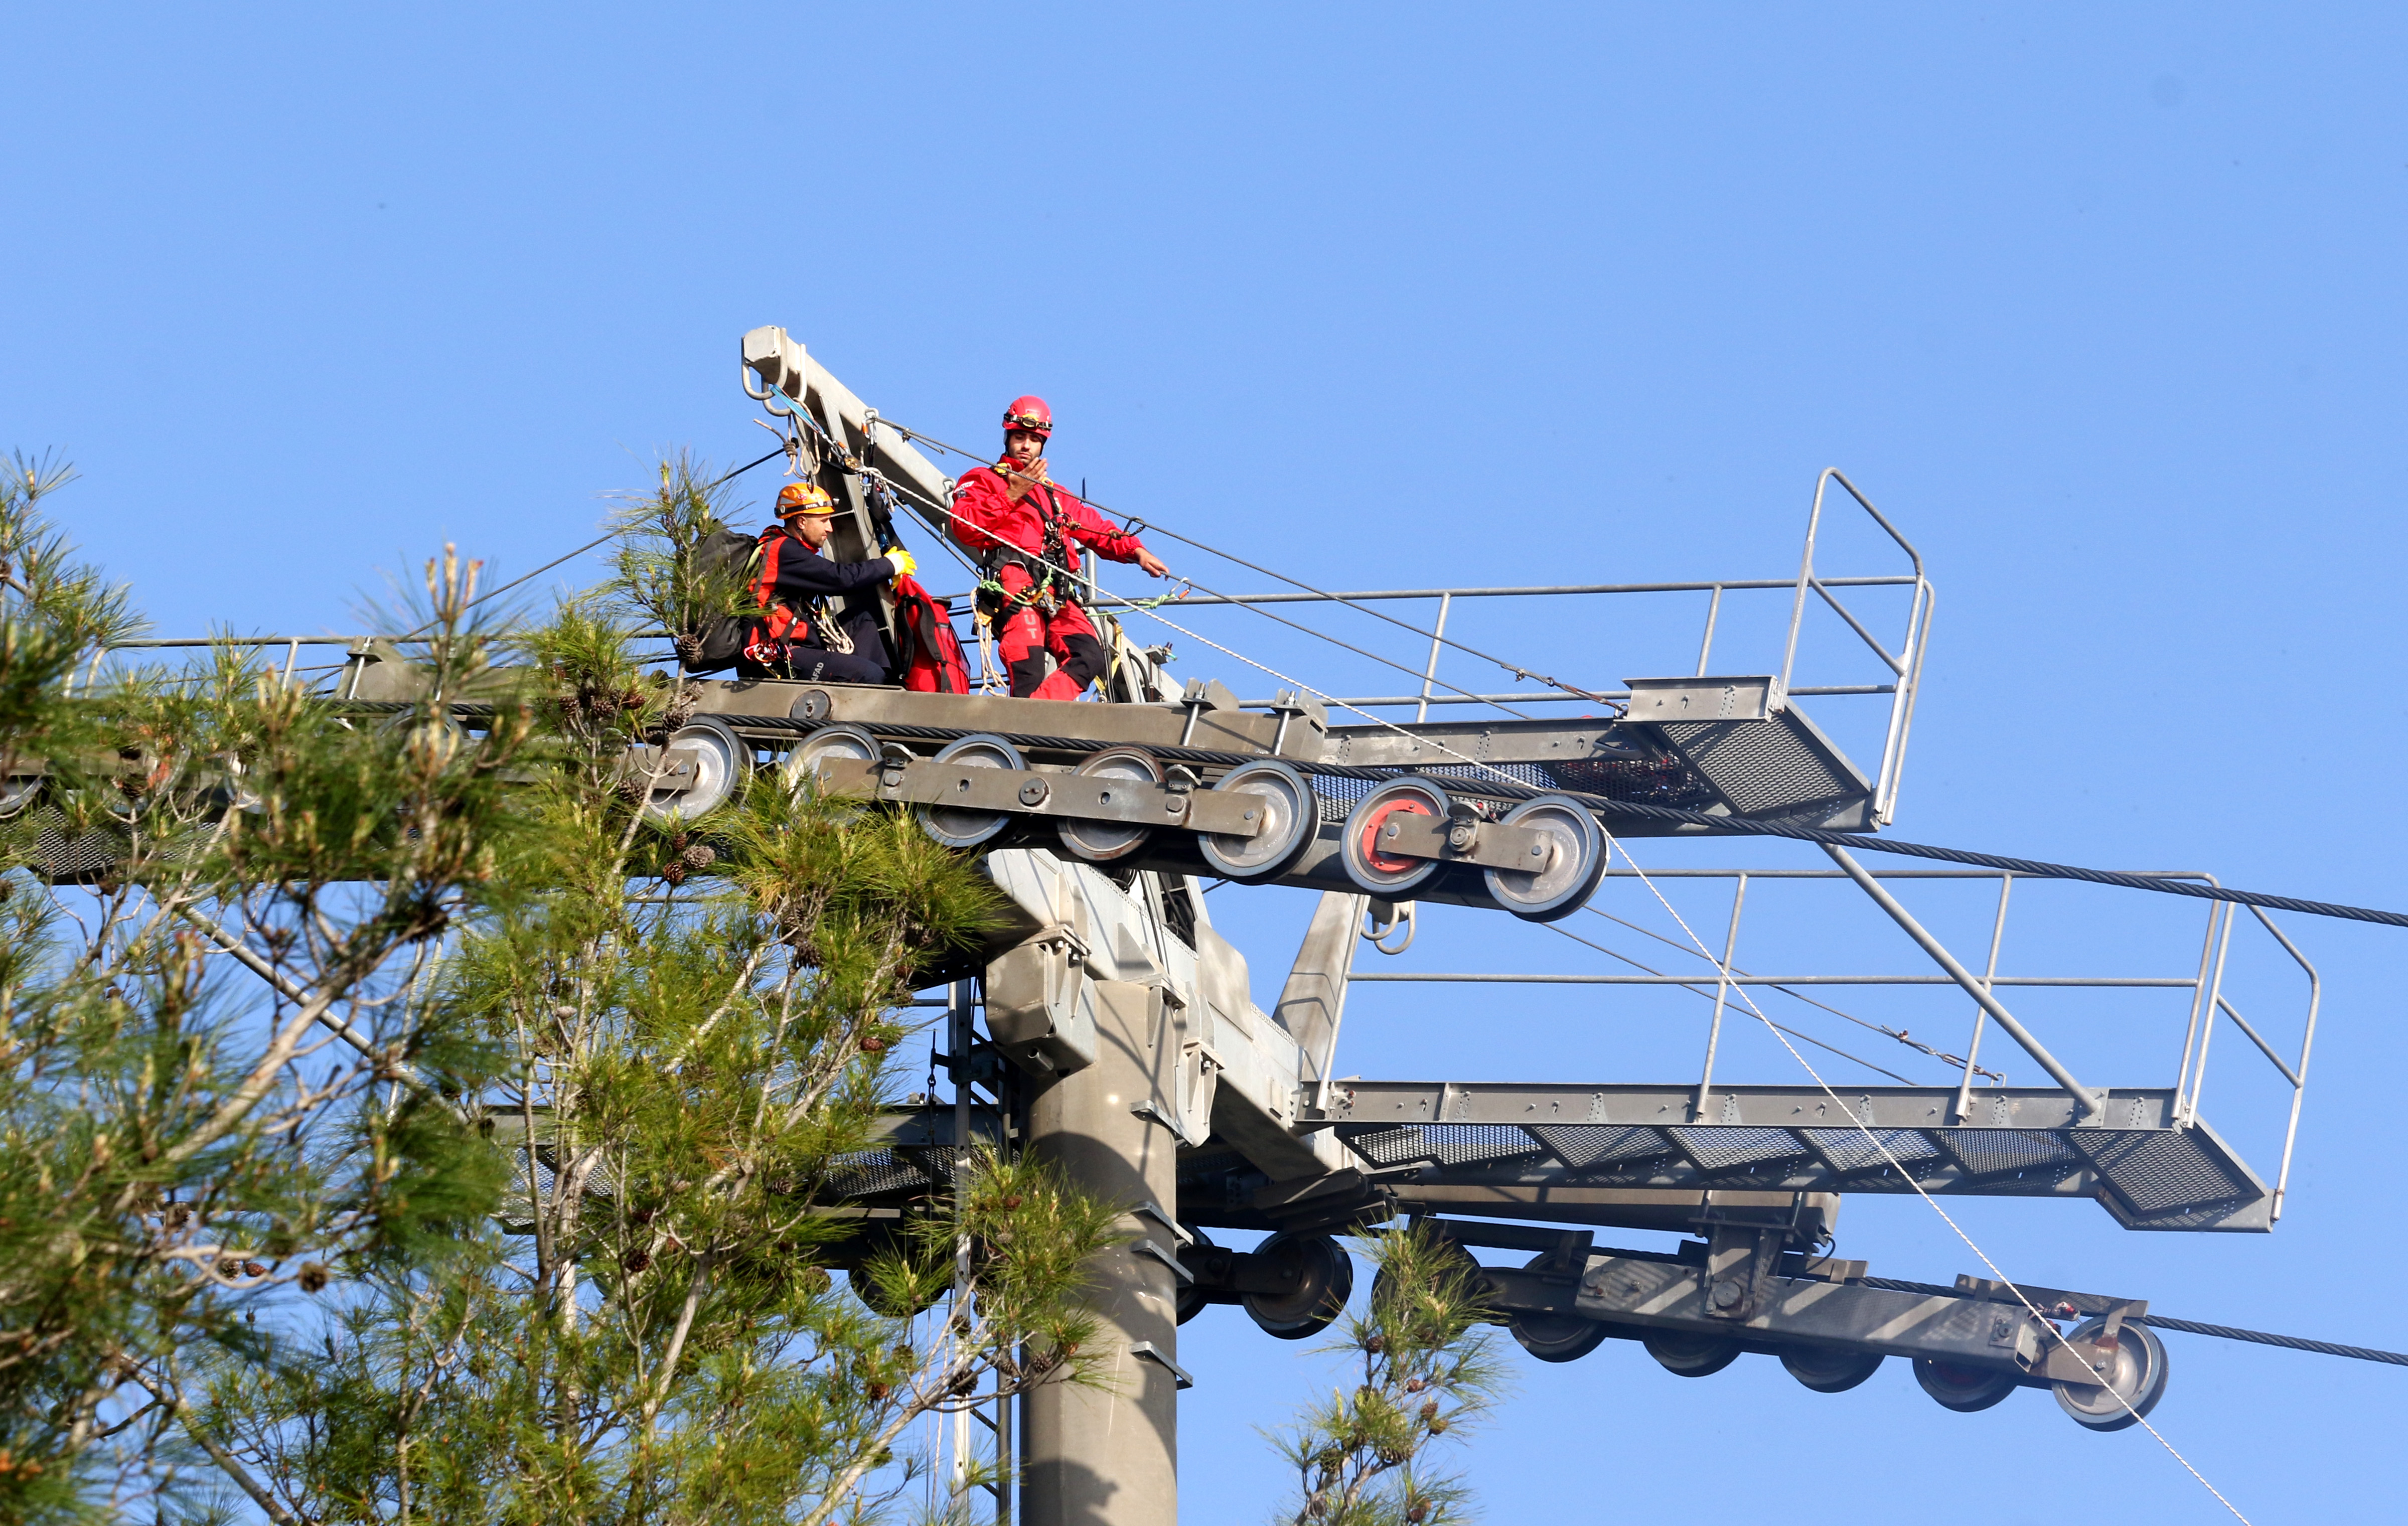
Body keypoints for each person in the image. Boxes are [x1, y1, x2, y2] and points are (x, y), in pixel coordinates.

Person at [947, 395, 1170, 700]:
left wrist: (1136, 551)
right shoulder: (983, 480)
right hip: (1017, 588)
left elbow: (1095, 527)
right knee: (1028, 670)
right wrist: (1012, 494)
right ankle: (1028, 723)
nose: (1026, 446)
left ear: (1043, 445)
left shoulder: (1055, 495)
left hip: (1059, 595)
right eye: (1020, 437)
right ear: (1007, 438)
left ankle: (1033, 718)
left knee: (1090, 655)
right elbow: (964, 526)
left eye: (1034, 440)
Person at [738, 481, 917, 684]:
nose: (830, 528)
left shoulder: (788, 551)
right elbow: (841, 579)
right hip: (773, 656)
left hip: (798, 645)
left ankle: (886, 684)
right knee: (867, 675)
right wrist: (889, 565)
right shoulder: (783, 551)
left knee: (860, 620)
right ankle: (874, 685)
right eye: (823, 520)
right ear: (802, 522)